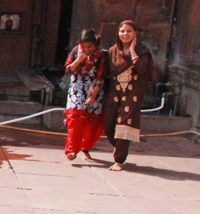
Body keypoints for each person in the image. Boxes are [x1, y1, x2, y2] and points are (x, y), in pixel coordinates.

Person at [103, 20, 154, 171]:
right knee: (109, 124)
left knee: (125, 125)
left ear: (135, 34)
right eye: (122, 31)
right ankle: (118, 146)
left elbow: (143, 70)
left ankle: (119, 159)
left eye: (129, 31)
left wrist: (132, 52)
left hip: (132, 94)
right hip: (114, 93)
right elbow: (106, 73)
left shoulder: (143, 51)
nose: (125, 34)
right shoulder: (113, 51)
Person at [64, 29, 107, 161]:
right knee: (75, 117)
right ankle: (72, 149)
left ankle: (85, 147)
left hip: (95, 87)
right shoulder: (76, 51)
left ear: (96, 45)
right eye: (84, 46)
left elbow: (100, 76)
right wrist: (79, 60)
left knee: (93, 122)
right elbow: (68, 70)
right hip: (77, 87)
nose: (87, 49)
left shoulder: (102, 55)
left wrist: (92, 95)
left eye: (90, 47)